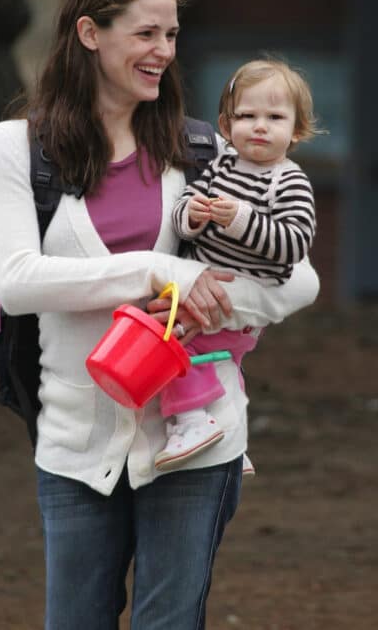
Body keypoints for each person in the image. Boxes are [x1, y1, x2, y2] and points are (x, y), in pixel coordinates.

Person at [0, 0, 319, 630]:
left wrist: (204, 299)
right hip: (77, 440)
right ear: (88, 32)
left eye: (171, 35)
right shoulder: (16, 148)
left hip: (197, 437)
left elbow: (299, 278)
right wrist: (161, 274)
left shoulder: (203, 148)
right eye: (145, 34)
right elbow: (17, 282)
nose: (163, 51)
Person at [155, 58, 319, 472]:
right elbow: (180, 215)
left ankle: (192, 423)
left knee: (174, 349)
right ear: (226, 127)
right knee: (220, 364)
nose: (259, 126)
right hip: (205, 282)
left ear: (296, 130)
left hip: (240, 298)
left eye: (274, 117)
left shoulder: (289, 181)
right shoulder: (220, 166)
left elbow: (293, 245)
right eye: (246, 116)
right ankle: (230, 437)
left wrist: (241, 219)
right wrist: (191, 215)